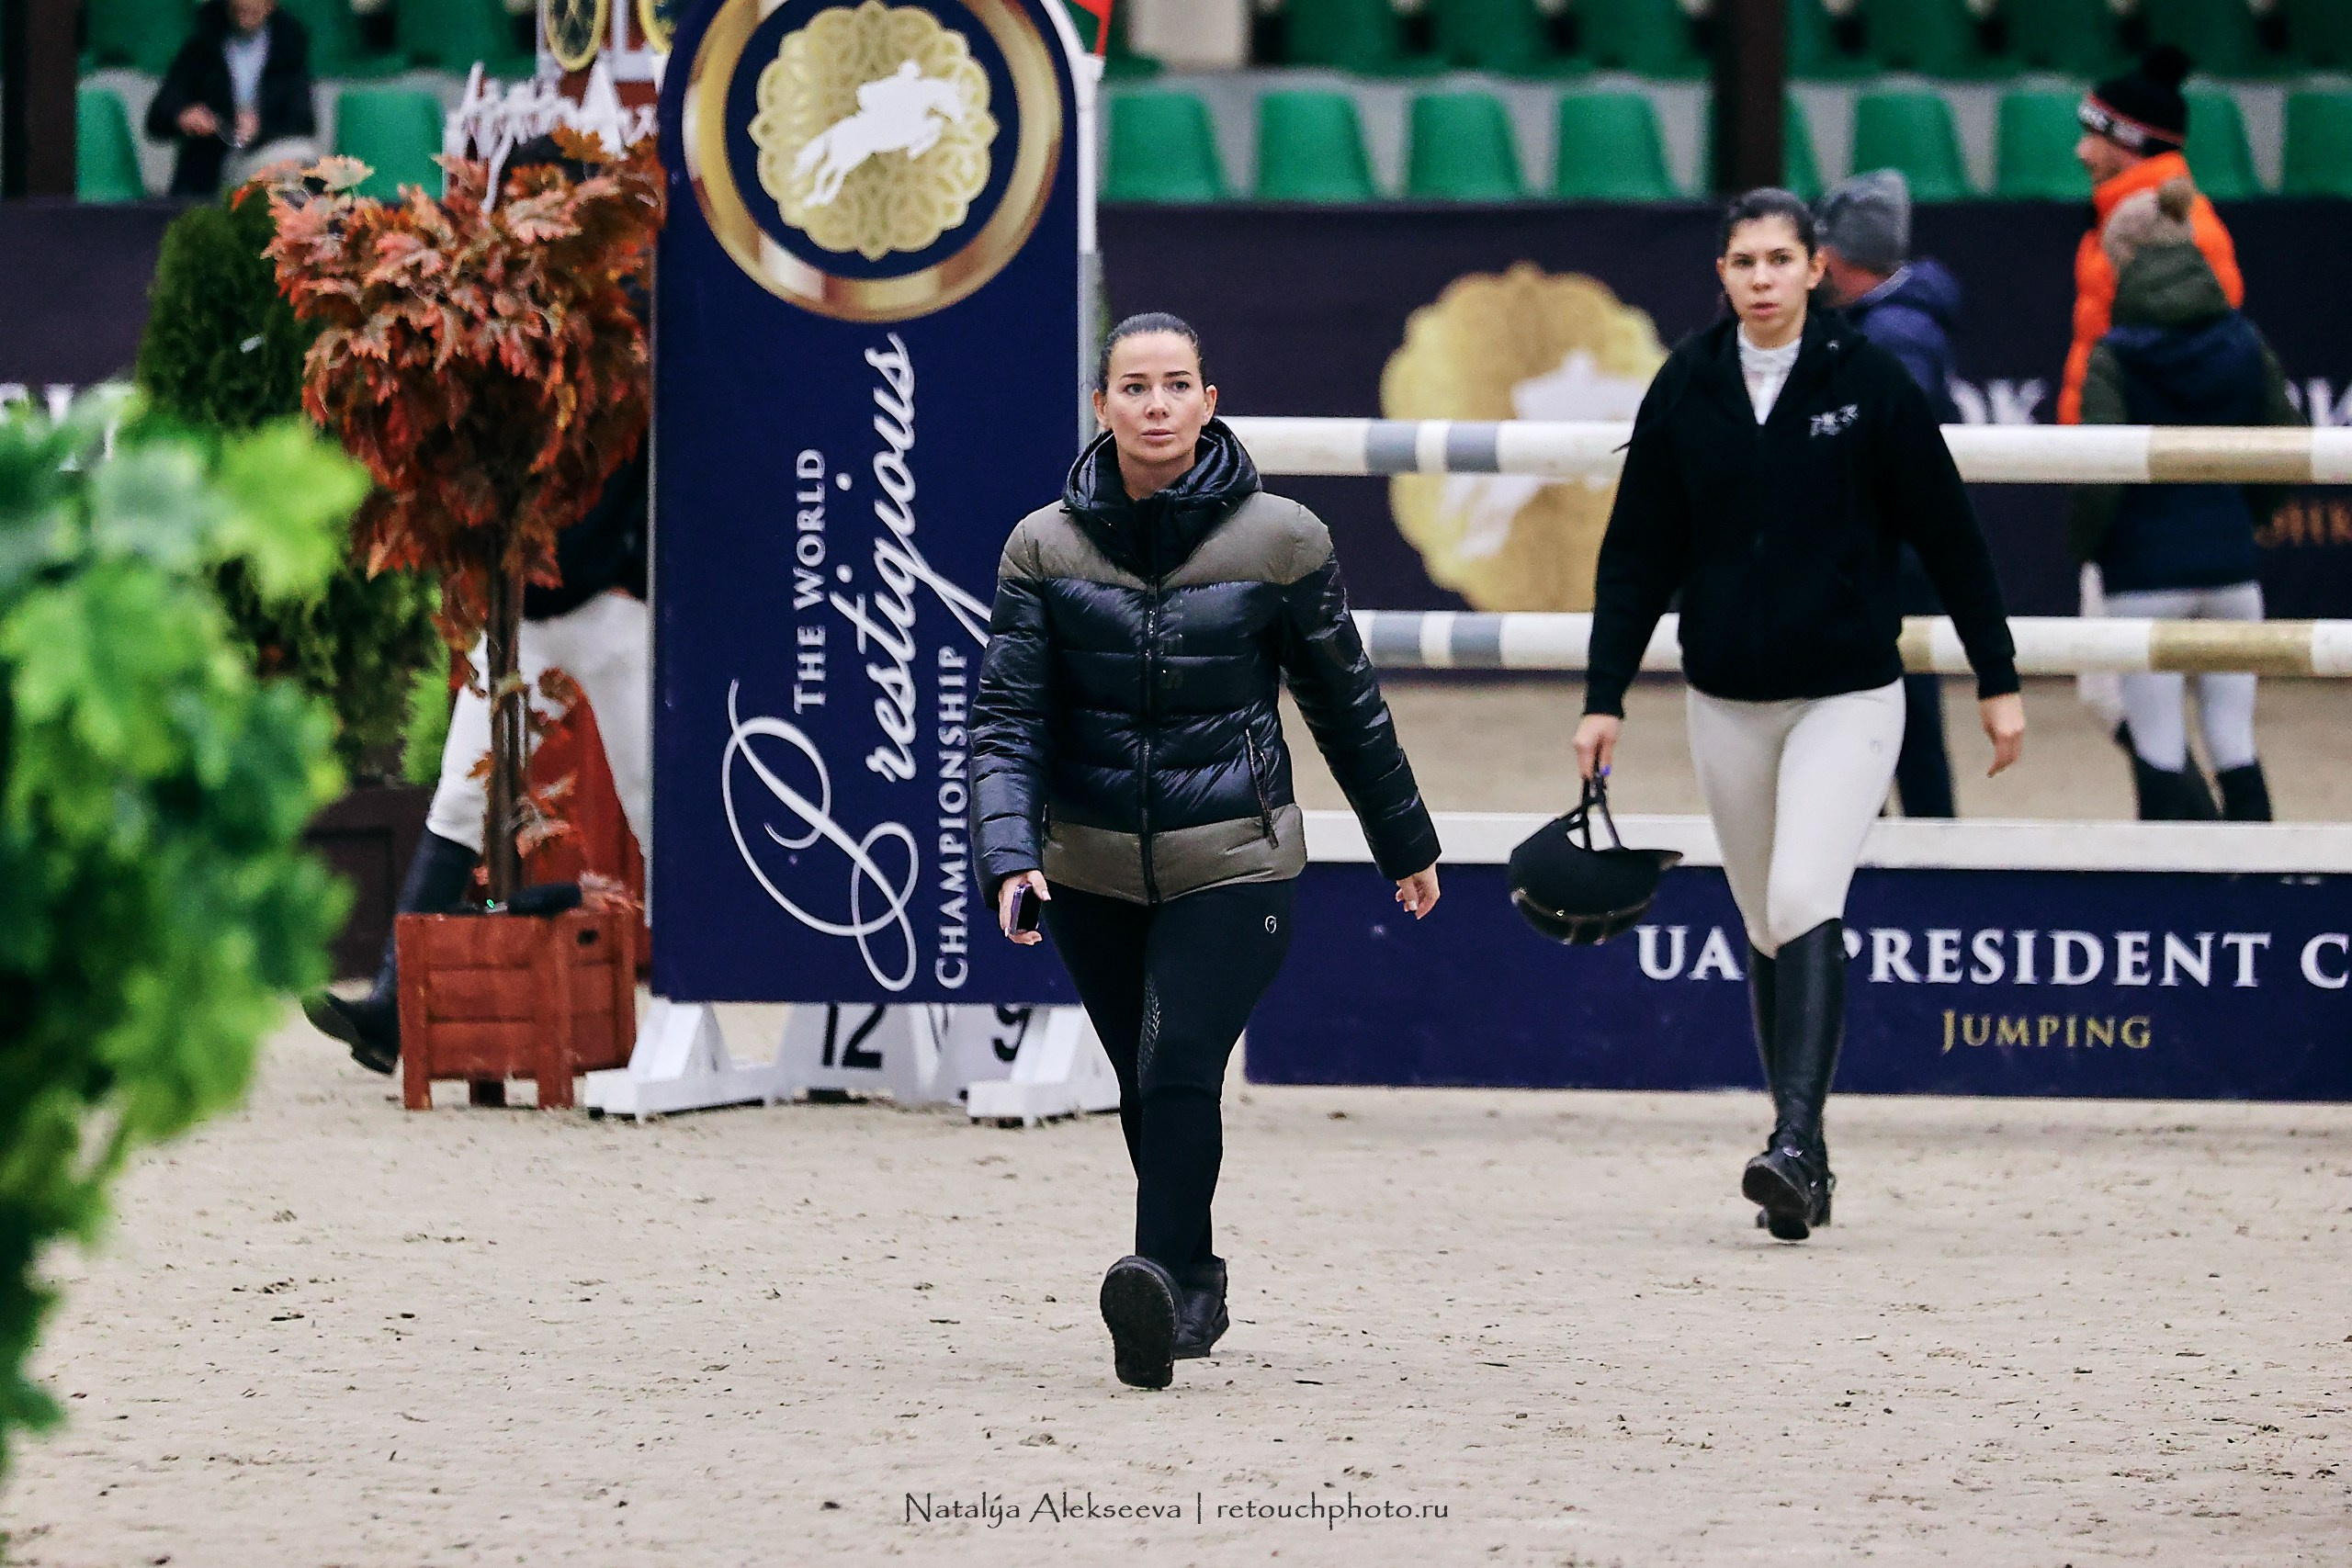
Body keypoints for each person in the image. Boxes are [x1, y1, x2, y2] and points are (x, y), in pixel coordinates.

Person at [972, 313, 1442, 1389]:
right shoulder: (1041, 546)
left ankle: (1159, 1289)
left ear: (1207, 402)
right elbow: (1005, 721)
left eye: (1174, 385)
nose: (1153, 405)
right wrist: (1009, 857)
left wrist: (1400, 838)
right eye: (1132, 387)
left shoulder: (1282, 539)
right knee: (1145, 1086)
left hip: (1238, 857)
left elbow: (1346, 705)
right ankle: (1192, 1277)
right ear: (1101, 408)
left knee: (1178, 1059)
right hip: (1086, 867)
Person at [1573, 191, 2025, 1242]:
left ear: (1817, 269)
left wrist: (1995, 677)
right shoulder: (1684, 384)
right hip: (1723, 696)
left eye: (1782, 258)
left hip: (1847, 691)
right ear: (1722, 275)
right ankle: (1805, 1162)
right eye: (1745, 260)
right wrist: (1602, 697)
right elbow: (1637, 551)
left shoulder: (1867, 381)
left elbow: (1950, 534)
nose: (1763, 276)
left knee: (1802, 893)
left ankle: (1789, 1138)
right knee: (1763, 922)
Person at [306, 141, 651, 1075]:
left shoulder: (637, 317)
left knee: (654, 802)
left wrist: (616, 563)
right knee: (462, 793)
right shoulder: (495, 319)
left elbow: (643, 466)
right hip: (521, 610)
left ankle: (692, 1002)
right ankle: (391, 1006)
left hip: (616, 605)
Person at [2069, 178, 2300, 822]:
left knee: (2158, 743)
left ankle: (2176, 901)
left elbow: (2099, 473)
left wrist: (2087, 547)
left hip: (2143, 573)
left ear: (2124, 262)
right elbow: (2288, 439)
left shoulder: (2115, 355)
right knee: (2234, 738)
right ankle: (2258, 893)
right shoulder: (2245, 341)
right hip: (2231, 569)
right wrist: (2245, 515)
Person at [1815, 168, 1961, 820]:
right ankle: (1913, 841)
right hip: (1894, 547)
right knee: (1893, 713)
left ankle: (1912, 850)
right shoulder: (1888, 320)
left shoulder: (1893, 335)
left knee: (1888, 715)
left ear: (1843, 256)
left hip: (1885, 552)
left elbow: (1880, 447)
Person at [146, 0, 319, 197]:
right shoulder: (202, 48)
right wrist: (183, 115)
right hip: (210, 169)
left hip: (264, 155)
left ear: (270, 5)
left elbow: (303, 121)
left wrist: (259, 128)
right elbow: (158, 115)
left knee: (297, 161)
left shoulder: (288, 49)